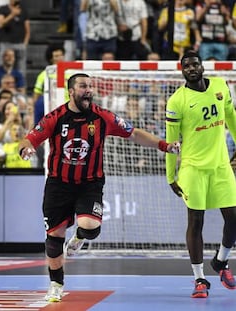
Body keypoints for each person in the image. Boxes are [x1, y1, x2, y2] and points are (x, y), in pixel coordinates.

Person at [18, 73, 180, 303]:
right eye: (83, 86)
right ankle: (56, 284)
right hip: (58, 185)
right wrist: (25, 149)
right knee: (54, 237)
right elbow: (30, 138)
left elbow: (133, 133)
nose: (89, 90)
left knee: (91, 227)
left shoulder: (102, 117)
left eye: (90, 86)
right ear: (71, 91)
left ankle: (80, 238)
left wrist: (164, 145)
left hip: (89, 184)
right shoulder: (55, 117)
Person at [165, 50, 236, 298]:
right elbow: (171, 142)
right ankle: (200, 279)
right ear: (182, 71)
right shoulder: (177, 101)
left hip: (220, 166)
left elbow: (231, 117)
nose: (191, 68)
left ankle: (220, 261)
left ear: (202, 66)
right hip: (193, 169)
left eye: (195, 64)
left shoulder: (220, 86)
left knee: (234, 218)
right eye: (186, 66)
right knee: (196, 222)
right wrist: (170, 176)